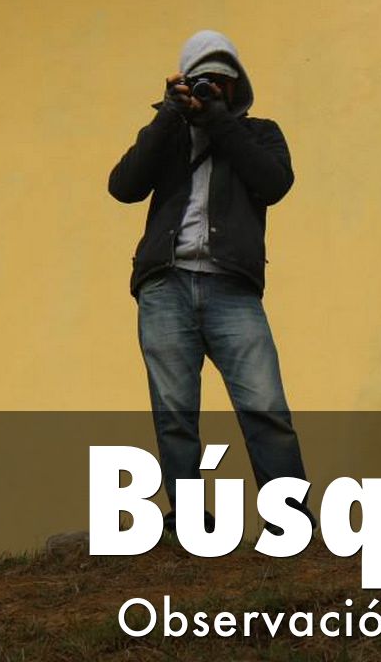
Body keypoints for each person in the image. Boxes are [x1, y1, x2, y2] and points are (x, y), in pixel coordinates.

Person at [109, 29, 312, 535]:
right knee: (174, 411)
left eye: (222, 80)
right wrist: (168, 115)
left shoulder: (259, 133)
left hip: (232, 288)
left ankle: (289, 518)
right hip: (165, 284)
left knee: (265, 405)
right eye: (202, 79)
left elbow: (274, 183)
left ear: (237, 85)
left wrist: (219, 121)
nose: (212, 88)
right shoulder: (168, 134)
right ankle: (188, 522)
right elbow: (123, 186)